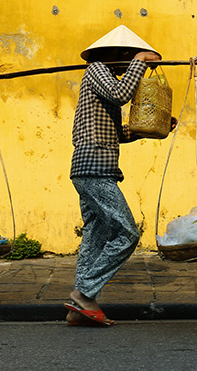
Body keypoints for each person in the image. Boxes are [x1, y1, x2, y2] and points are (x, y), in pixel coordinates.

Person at [65, 25, 171, 326]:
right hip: (94, 166)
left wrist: (145, 130)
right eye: (127, 57)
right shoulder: (98, 69)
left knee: (95, 237)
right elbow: (121, 94)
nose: (129, 64)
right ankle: (84, 294)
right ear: (116, 55)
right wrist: (140, 62)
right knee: (126, 233)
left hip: (92, 166)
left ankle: (79, 310)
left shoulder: (102, 78)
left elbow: (114, 133)